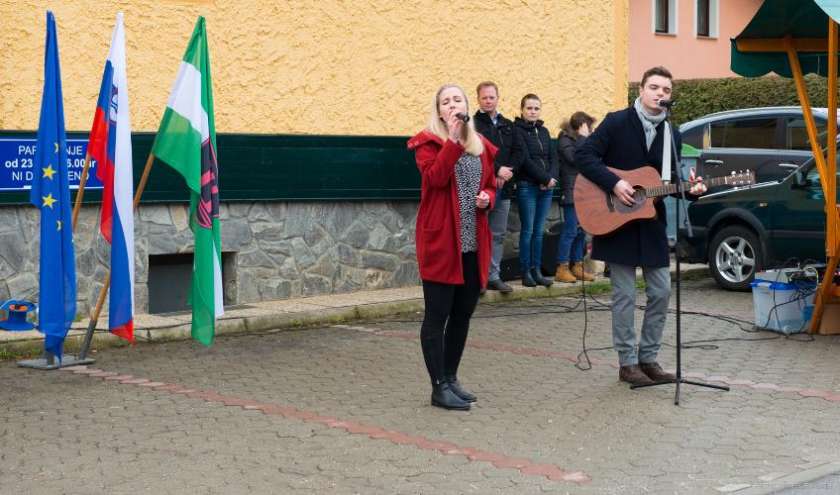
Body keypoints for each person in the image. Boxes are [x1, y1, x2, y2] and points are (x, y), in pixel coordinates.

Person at [575, 66, 707, 387]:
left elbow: (666, 183)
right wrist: (615, 182)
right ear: (641, 91)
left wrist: (692, 190)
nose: (661, 94)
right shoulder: (617, 122)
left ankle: (649, 358)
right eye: (655, 88)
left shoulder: (671, 133)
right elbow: (584, 155)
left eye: (666, 90)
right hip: (615, 219)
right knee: (623, 295)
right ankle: (627, 362)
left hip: (650, 224)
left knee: (661, 292)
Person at [407, 84, 497, 410]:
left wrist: (488, 197)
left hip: (472, 243)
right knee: (437, 316)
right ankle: (437, 386)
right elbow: (436, 179)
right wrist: (453, 141)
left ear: (467, 105)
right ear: (439, 111)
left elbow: (489, 183)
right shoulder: (427, 144)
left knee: (462, 314)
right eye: (446, 102)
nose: (452, 105)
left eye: (457, 100)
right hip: (442, 243)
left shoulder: (481, 145)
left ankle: (451, 377)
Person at [511, 94, 558, 288]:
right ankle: (526, 272)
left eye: (536, 108)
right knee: (528, 231)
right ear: (522, 110)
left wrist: (551, 178)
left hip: (545, 189)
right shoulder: (517, 131)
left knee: (539, 232)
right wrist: (544, 178)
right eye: (529, 108)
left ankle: (538, 270)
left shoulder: (545, 131)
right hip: (527, 186)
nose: (532, 112)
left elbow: (554, 158)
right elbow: (524, 160)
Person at [473, 81, 515, 293]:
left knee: (497, 234)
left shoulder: (508, 124)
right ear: (478, 99)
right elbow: (477, 152)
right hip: (482, 188)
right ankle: (478, 279)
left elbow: (520, 152)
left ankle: (493, 275)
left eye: (492, 97)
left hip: (504, 188)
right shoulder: (472, 125)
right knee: (480, 234)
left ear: (498, 98)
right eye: (484, 98)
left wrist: (507, 172)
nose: (488, 101)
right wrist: (496, 170)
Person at [554, 111, 597, 283]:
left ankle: (577, 266)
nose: (590, 130)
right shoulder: (565, 139)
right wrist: (583, 138)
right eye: (588, 127)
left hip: (585, 191)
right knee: (570, 230)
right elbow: (575, 159)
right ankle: (561, 268)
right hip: (571, 190)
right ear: (580, 126)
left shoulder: (583, 140)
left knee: (581, 231)